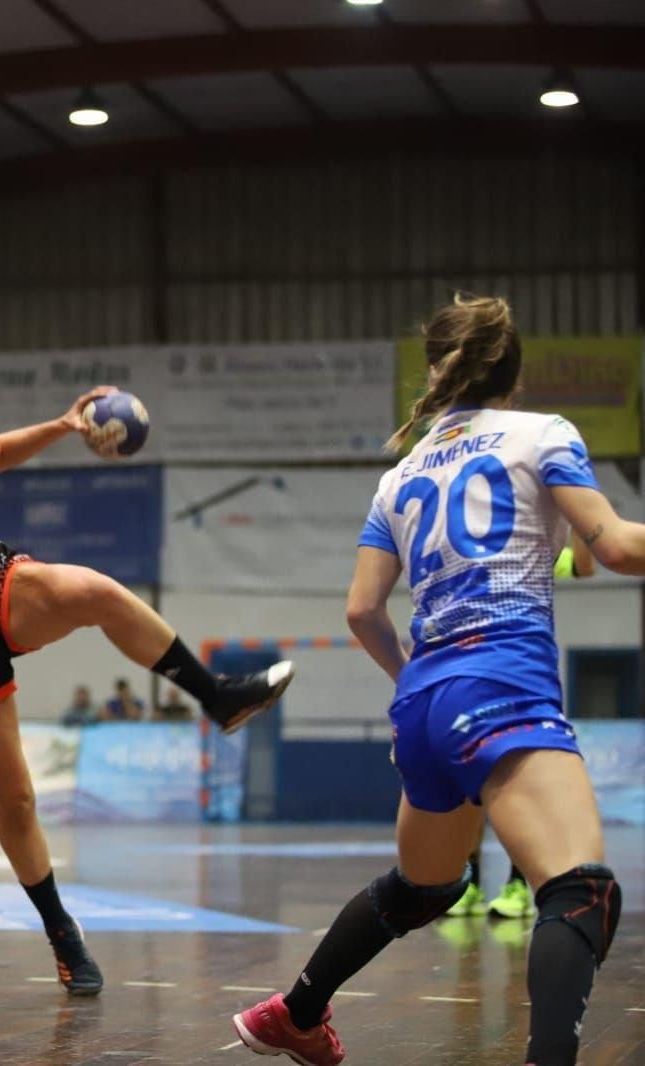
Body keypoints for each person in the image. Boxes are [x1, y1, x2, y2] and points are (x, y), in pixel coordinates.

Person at [0, 326, 293, 998]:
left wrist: (67, 425)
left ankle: (217, 695)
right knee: (17, 802)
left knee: (93, 590)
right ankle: (62, 933)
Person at [230, 294, 637, 1066]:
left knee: (425, 887)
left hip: (422, 701)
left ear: (439, 373)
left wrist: (415, 679)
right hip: (500, 681)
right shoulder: (543, 435)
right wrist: (584, 540)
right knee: (581, 893)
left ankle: (297, 1011)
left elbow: (361, 612)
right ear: (514, 375)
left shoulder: (401, 476)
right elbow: (610, 548)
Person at [445, 530, 596, 923]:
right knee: (471, 795)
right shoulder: (461, 563)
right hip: (470, 688)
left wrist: (578, 518)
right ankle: (471, 883)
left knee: (516, 789)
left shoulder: (534, 557)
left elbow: (582, 564)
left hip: (521, 686)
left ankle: (516, 886)